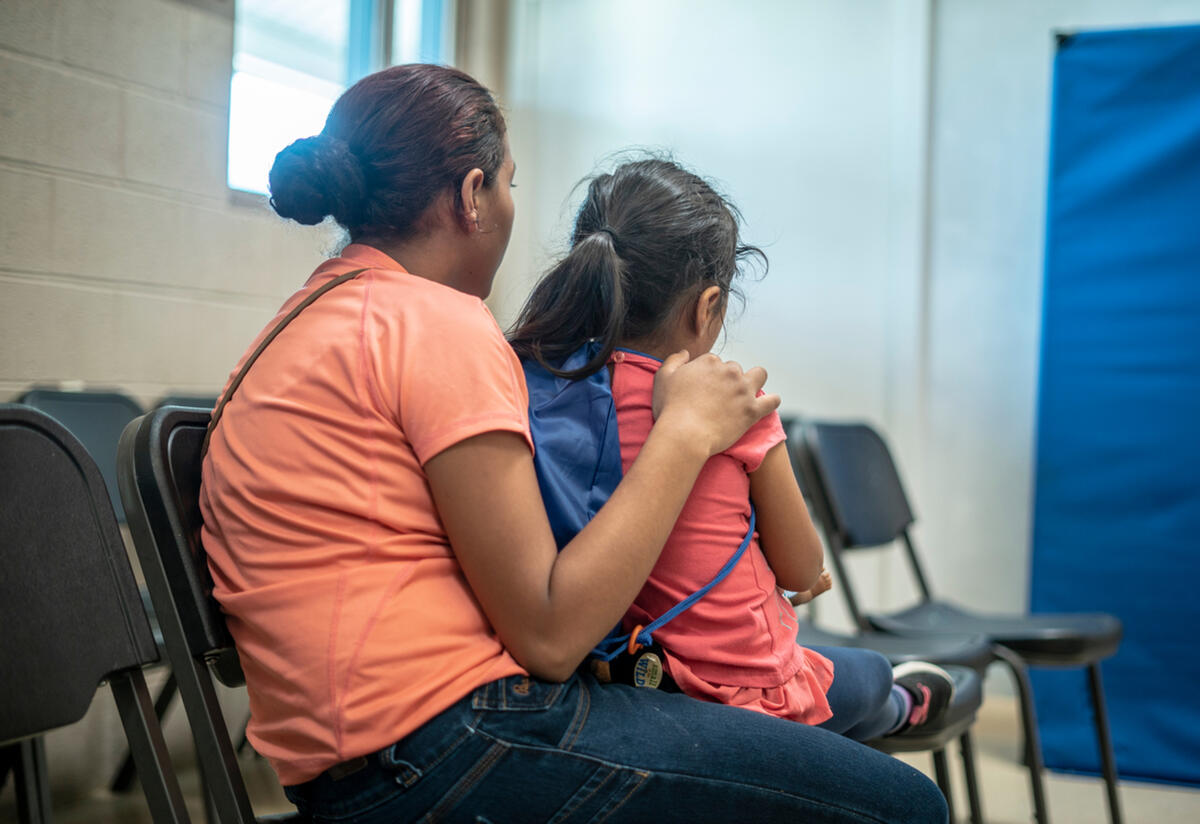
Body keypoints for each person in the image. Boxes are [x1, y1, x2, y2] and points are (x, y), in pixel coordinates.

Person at [199, 64, 948, 823]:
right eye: (510, 185)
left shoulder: (298, 323)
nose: (510, 204)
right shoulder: (436, 323)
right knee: (907, 806)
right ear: (471, 196)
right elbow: (551, 636)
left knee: (827, 713)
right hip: (444, 744)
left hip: (356, 754)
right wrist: (683, 433)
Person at [509, 158, 955, 743]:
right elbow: (800, 567)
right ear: (708, 306)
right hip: (734, 691)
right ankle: (898, 703)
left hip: (622, 673)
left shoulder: (546, 388)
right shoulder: (734, 406)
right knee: (866, 675)